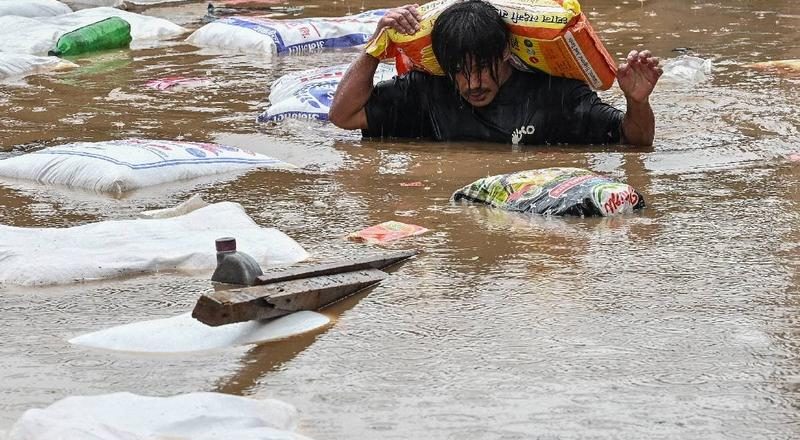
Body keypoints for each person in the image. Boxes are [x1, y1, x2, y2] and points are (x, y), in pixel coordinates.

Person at [328, 0, 663, 146]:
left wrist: (637, 103)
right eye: (459, 71)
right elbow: (344, 115)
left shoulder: (555, 95)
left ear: (506, 53)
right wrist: (375, 46)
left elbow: (634, 142)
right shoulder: (425, 92)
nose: (473, 84)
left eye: (482, 69)